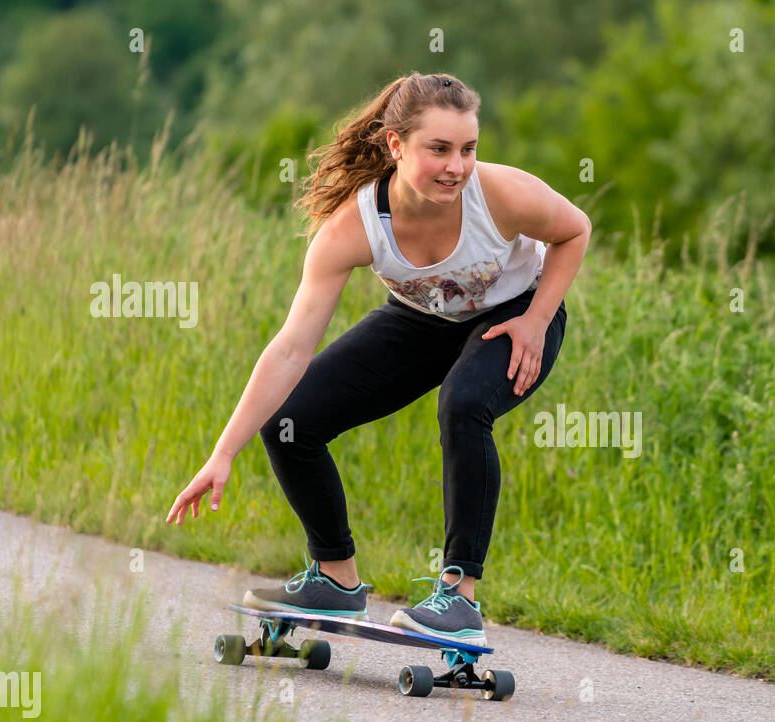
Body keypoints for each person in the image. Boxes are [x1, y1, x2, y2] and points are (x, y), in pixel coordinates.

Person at [164, 72, 591, 645]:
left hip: (513, 312)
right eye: (437, 149)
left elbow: (574, 230)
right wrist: (223, 452)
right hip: (423, 319)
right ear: (396, 145)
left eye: (467, 149)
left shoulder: (501, 194)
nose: (456, 166)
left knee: (463, 406)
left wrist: (537, 320)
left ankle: (459, 596)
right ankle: (336, 580)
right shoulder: (354, 227)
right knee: (293, 422)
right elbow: (291, 347)